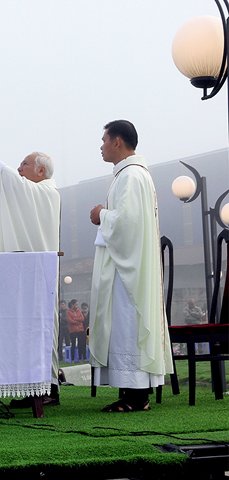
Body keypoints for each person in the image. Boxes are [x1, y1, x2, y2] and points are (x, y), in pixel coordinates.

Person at [89, 119, 173, 412]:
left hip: (129, 269)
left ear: (118, 141)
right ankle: (132, 392)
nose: (100, 146)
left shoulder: (131, 176)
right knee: (125, 325)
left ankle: (136, 396)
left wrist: (102, 214)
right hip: (127, 263)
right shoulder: (130, 175)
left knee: (127, 323)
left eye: (104, 140)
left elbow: (128, 223)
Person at [0, 142, 61, 407]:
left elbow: (16, 188)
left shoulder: (47, 192)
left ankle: (48, 389)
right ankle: (31, 387)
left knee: (40, 328)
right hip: (21, 272)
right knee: (21, 329)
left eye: (24, 164)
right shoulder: (27, 189)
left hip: (38, 275)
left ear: (41, 170)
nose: (19, 168)